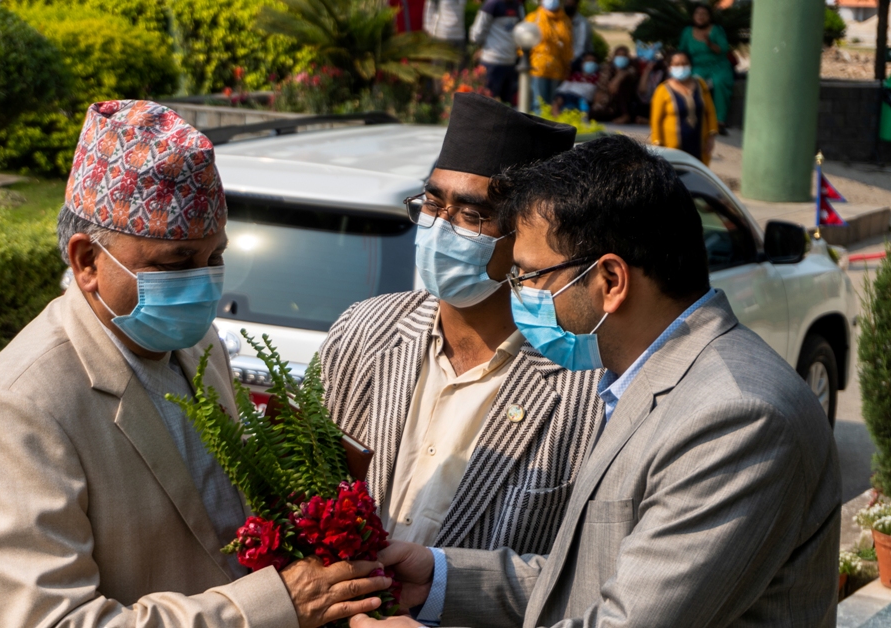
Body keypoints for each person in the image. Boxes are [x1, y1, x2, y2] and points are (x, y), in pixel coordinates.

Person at [350, 135, 841, 628]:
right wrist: (438, 579)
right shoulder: (638, 382)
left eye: (527, 276)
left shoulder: (736, 417)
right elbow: (585, 579)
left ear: (610, 280)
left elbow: (626, 620)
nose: (517, 293)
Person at [0, 100, 392, 628]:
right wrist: (273, 606)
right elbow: (54, 621)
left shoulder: (198, 346)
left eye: (215, 258)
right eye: (176, 263)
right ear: (87, 261)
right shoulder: (20, 408)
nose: (203, 282)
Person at [318, 93, 602, 600]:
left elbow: (587, 573)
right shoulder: (363, 332)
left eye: (472, 215)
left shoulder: (584, 389)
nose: (440, 227)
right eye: (432, 203)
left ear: (526, 239)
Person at [650, 51, 719, 166]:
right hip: (672, 149)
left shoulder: (700, 85)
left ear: (690, 65)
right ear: (670, 68)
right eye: (676, 64)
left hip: (699, 147)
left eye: (684, 63)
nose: (681, 67)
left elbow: (710, 111)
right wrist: (657, 145)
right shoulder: (662, 90)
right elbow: (656, 120)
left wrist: (711, 137)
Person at [679, 3, 734, 134]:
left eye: (704, 14)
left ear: (709, 17)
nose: (700, 16)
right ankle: (695, 118)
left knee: (719, 82)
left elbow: (723, 49)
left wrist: (710, 44)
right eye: (697, 14)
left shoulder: (717, 30)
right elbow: (682, 51)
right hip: (698, 67)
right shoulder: (687, 32)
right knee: (694, 83)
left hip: (718, 66)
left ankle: (719, 121)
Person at [469, 0, 525, 104]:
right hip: (496, 61)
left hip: (500, 60)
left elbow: (476, 35)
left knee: (494, 104)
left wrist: (480, 46)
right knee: (490, 103)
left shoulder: (515, 6)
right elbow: (477, 34)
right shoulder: (494, 5)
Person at [526, 0, 573, 113]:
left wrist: (567, 65)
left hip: (557, 68)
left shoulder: (565, 20)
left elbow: (568, 46)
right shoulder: (533, 18)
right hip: (538, 67)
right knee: (539, 103)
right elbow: (523, 43)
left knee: (553, 103)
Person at [589, 45, 638, 123]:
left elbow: (615, 85)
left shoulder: (630, 69)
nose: (621, 58)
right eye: (618, 55)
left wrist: (618, 77)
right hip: (608, 102)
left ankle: (625, 115)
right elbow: (602, 87)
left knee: (622, 86)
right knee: (594, 113)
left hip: (626, 101)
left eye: (623, 56)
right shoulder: (607, 69)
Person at [424, 0, 468, 65]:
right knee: (440, 70)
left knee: (458, 71)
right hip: (443, 36)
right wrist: (429, 29)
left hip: (459, 36)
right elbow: (430, 7)